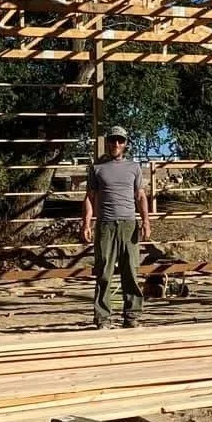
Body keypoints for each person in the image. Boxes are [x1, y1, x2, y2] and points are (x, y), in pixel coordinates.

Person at [81, 125, 151, 328]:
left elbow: (140, 196)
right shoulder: (97, 168)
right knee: (104, 272)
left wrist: (146, 221)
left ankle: (132, 316)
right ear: (108, 142)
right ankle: (102, 317)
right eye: (113, 140)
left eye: (120, 141)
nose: (116, 144)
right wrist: (86, 223)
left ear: (126, 144)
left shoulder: (134, 167)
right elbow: (90, 197)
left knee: (130, 271)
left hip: (128, 225)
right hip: (106, 226)